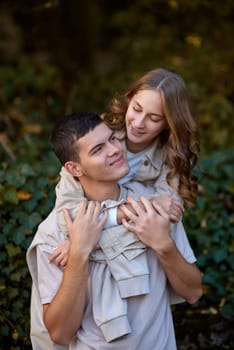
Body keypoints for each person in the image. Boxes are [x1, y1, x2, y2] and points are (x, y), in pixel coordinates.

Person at [27, 112, 202, 349]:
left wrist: (163, 245)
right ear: (74, 169)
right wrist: (78, 253)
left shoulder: (154, 206)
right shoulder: (55, 233)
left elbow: (193, 292)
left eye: (112, 139)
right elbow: (60, 334)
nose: (114, 150)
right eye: (98, 149)